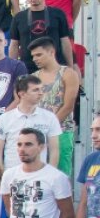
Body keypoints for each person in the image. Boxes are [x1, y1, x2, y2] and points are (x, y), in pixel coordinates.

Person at [31, 36, 80, 177]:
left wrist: (49, 127)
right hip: (38, 133)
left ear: (52, 52)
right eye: (33, 56)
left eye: (39, 54)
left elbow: (68, 105)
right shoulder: (33, 77)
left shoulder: (68, 74)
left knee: (60, 176)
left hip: (62, 131)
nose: (35, 59)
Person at [0, 75, 61, 171]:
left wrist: (50, 173)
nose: (41, 93)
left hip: (40, 174)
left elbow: (54, 150)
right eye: (35, 90)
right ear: (22, 94)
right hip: (12, 174)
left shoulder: (50, 117)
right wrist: (2, 175)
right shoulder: (4, 118)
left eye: (42, 89)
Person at [9, 0, 74, 72]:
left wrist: (70, 68)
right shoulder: (19, 17)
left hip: (55, 66)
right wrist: (12, 70)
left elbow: (65, 42)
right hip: (28, 69)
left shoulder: (58, 14)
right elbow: (14, 45)